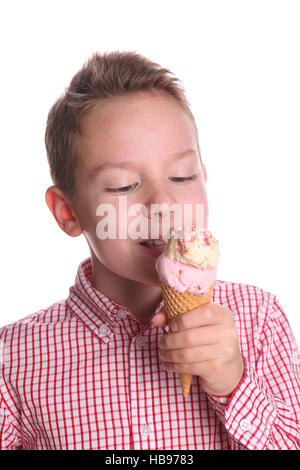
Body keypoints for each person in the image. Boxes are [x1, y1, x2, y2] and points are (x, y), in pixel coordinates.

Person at [0, 51, 299, 450]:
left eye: (182, 176)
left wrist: (234, 382)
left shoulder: (259, 320)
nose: (163, 203)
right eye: (124, 186)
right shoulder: (12, 359)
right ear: (68, 211)